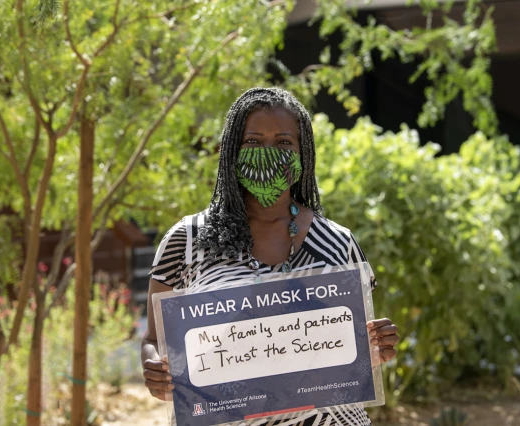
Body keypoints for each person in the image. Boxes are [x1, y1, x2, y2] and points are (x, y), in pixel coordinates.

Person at [141, 87, 399, 425]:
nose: (268, 153)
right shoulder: (187, 240)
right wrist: (155, 367)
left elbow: (353, 348)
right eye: (252, 142)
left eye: (283, 142)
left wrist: (377, 348)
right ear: (232, 151)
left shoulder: (338, 243)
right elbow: (153, 340)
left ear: (302, 153)